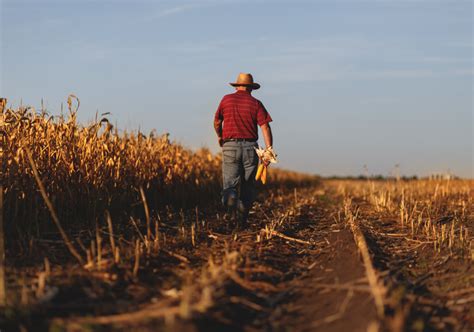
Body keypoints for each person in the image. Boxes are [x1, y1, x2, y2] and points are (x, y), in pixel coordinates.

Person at [213, 73, 274, 226]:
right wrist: (268, 149)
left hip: (230, 146)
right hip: (250, 148)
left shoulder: (226, 99)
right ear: (251, 88)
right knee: (248, 186)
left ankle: (232, 198)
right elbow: (265, 126)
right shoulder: (255, 103)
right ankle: (241, 221)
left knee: (229, 184)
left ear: (237, 85)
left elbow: (217, 121)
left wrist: (220, 136)